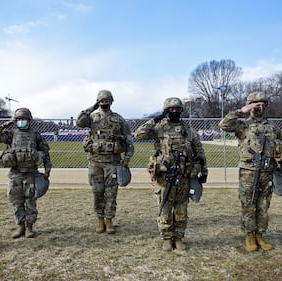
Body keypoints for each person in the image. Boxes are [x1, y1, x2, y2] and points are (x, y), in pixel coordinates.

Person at [134, 97, 208, 251]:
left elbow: (199, 152)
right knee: (165, 208)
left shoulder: (189, 131)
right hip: (164, 177)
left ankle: (179, 237)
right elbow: (138, 135)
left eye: (177, 109)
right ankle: (167, 238)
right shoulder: (158, 128)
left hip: (184, 176)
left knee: (181, 209)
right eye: (171, 109)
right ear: (166, 111)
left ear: (181, 111)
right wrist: (155, 119)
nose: (175, 112)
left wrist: (203, 171)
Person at [219, 91, 282, 252]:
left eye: (262, 104)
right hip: (249, 171)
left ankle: (260, 234)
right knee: (248, 203)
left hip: (267, 171)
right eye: (256, 104)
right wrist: (241, 111)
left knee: (263, 205)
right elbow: (223, 125)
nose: (259, 107)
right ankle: (249, 235)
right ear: (249, 104)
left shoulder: (272, 127)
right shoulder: (242, 125)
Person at [76, 90, 134, 234]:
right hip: (95, 162)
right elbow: (79, 122)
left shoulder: (119, 119)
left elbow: (129, 140)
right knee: (97, 191)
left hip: (113, 163)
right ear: (98, 102)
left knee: (111, 192)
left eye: (107, 100)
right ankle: (99, 219)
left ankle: (109, 220)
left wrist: (127, 158)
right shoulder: (92, 118)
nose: (104, 103)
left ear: (111, 101)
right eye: (101, 101)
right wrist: (92, 107)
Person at [0, 107, 52, 239]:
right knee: (16, 201)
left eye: (23, 119)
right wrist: (7, 124)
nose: (21, 121)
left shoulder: (36, 135)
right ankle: (20, 226)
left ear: (29, 120)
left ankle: (29, 227)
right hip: (15, 174)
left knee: (30, 202)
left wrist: (47, 169)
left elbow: (45, 152)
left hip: (31, 174)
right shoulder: (11, 134)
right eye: (18, 119)